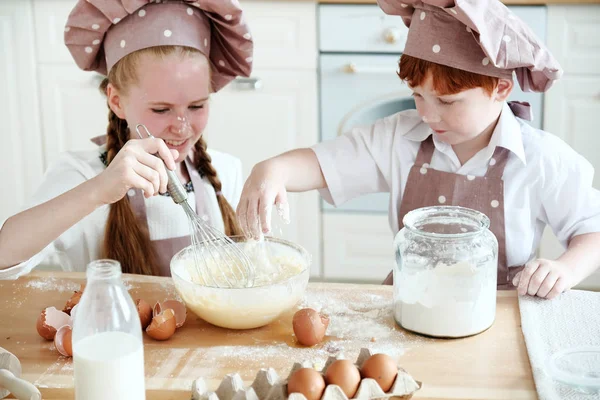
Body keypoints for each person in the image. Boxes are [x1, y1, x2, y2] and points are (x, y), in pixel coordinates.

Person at [236, 0, 600, 299]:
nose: (427, 114)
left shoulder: (540, 158)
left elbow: (592, 230)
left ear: (501, 89)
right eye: (417, 95)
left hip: (502, 316)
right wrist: (273, 170)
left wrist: (564, 268)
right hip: (410, 305)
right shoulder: (400, 138)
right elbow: (321, 164)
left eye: (446, 101)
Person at [0, 0, 254, 278]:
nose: (182, 128)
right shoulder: (81, 174)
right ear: (116, 101)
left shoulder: (224, 170)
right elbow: (5, 257)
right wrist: (99, 190)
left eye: (197, 106)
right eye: (161, 109)